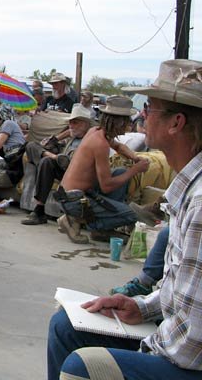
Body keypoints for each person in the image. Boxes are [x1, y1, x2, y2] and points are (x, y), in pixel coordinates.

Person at [47, 58, 202, 380]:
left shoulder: (199, 201)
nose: (142, 115)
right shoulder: (188, 186)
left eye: (150, 108)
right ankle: (77, 220)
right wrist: (143, 307)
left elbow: (191, 344)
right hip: (78, 200)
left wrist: (146, 340)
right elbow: (184, 294)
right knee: (65, 325)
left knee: (83, 365)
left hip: (187, 360)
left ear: (175, 123)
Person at [55, 95, 151, 244]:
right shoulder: (100, 144)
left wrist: (135, 158)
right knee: (131, 214)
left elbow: (118, 146)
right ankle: (92, 226)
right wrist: (135, 170)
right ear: (118, 122)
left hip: (73, 194)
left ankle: (101, 228)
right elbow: (106, 186)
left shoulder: (96, 131)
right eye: (126, 121)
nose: (128, 125)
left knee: (119, 172)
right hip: (74, 199)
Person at [22, 104, 93, 226]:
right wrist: (53, 140)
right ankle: (51, 156)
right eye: (70, 122)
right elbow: (67, 134)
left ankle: (39, 211)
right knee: (31, 146)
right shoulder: (74, 135)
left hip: (75, 171)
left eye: (75, 123)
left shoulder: (90, 138)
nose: (71, 126)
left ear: (85, 124)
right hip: (61, 164)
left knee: (46, 162)